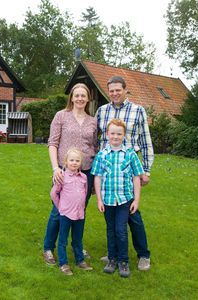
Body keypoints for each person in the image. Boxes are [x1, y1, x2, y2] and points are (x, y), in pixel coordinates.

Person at [96, 75, 154, 271]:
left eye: (118, 90)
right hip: (109, 169)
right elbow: (97, 140)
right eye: (111, 90)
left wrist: (146, 170)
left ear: (125, 90)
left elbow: (146, 141)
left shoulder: (138, 111)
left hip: (129, 167)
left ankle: (143, 255)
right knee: (113, 217)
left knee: (133, 214)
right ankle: (114, 254)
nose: (114, 93)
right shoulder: (102, 111)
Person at [43, 83, 98, 265]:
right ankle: (49, 248)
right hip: (63, 172)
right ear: (72, 98)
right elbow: (52, 143)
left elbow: (95, 147)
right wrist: (55, 168)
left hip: (86, 172)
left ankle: (77, 246)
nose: (80, 98)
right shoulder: (61, 116)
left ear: (88, 98)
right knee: (59, 210)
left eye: (84, 95)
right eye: (77, 95)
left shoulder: (92, 121)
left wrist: (96, 176)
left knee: (79, 211)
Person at [92, 119, 144, 278]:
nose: (115, 136)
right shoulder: (101, 155)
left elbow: (136, 178)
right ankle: (112, 259)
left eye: (119, 134)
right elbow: (98, 178)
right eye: (112, 133)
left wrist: (136, 200)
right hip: (107, 200)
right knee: (110, 230)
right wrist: (99, 200)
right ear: (107, 134)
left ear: (124, 135)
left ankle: (123, 261)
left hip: (124, 200)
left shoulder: (130, 155)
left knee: (121, 230)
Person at [50, 147, 93, 275]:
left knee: (78, 239)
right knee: (63, 239)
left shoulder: (84, 177)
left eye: (77, 160)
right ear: (66, 162)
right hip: (65, 214)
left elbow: (85, 193)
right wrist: (60, 207)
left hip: (80, 214)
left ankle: (80, 260)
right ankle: (64, 264)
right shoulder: (62, 176)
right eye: (72, 160)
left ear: (81, 162)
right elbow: (53, 193)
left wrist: (82, 207)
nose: (74, 163)